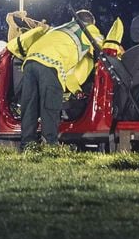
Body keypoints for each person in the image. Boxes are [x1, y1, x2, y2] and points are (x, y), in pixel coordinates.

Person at [19, 9, 103, 149]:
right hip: (51, 63)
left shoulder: (60, 28)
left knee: (30, 106)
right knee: (50, 106)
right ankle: (50, 144)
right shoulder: (88, 29)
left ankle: (27, 145)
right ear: (90, 23)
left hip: (30, 62)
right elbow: (102, 47)